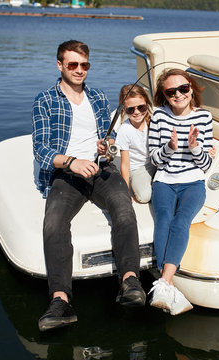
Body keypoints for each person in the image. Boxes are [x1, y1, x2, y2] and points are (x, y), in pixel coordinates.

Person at [32, 40, 146, 332]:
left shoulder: (96, 95)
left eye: (84, 65)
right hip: (67, 174)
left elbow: (106, 143)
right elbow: (41, 151)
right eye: (73, 65)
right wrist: (72, 163)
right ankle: (61, 301)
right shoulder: (45, 100)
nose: (79, 70)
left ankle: (129, 282)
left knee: (123, 207)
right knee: (54, 223)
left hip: (100, 168)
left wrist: (105, 147)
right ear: (60, 66)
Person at [147, 68, 213, 315]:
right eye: (171, 91)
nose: (178, 95)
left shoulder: (204, 117)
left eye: (183, 88)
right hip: (164, 180)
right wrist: (170, 147)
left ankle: (164, 282)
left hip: (193, 182)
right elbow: (156, 160)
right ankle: (168, 284)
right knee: (163, 220)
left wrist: (195, 147)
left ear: (191, 88)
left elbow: (205, 165)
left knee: (181, 221)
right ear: (164, 95)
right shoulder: (158, 117)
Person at [115, 84, 156, 203]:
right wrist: (125, 190)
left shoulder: (153, 120)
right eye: (130, 109)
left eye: (141, 107)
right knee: (144, 197)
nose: (137, 112)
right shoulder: (124, 130)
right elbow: (125, 164)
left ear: (147, 104)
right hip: (137, 168)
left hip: (156, 161)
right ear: (124, 109)